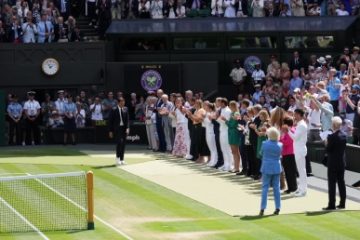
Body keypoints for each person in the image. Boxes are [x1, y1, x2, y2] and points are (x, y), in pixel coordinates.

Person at [323, 117, 347, 210]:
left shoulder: (331, 137)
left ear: (333, 125)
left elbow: (328, 149)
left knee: (332, 184)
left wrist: (326, 142)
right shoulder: (344, 135)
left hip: (333, 163)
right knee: (341, 183)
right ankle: (342, 203)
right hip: (341, 162)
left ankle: (331, 204)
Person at [259, 127, 283, 216]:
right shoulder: (280, 145)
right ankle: (278, 207)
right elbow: (280, 155)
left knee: (265, 188)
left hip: (266, 167)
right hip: (276, 167)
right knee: (276, 188)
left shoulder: (264, 143)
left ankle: (262, 208)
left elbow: (261, 153)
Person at [286, 108, 308, 197]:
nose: (294, 116)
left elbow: (295, 137)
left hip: (300, 150)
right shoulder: (299, 124)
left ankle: (303, 190)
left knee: (302, 171)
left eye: (295, 114)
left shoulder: (302, 125)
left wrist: (288, 130)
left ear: (299, 115)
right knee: (300, 170)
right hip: (298, 150)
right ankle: (300, 188)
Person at [108, 97, 130, 165]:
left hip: (124, 129)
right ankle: (117, 159)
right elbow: (110, 121)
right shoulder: (113, 109)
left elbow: (127, 120)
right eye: (122, 102)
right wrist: (110, 131)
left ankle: (122, 159)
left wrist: (128, 128)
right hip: (117, 129)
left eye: (124, 102)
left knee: (123, 144)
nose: (123, 103)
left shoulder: (125, 109)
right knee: (119, 143)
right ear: (119, 102)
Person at [280, 117, 298, 194]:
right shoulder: (287, 131)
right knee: (287, 172)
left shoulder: (292, 130)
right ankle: (290, 187)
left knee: (291, 172)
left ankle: (293, 187)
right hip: (285, 153)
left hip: (290, 154)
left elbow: (286, 142)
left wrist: (280, 139)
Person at [226, 100, 241, 173]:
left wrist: (226, 121)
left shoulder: (237, 113)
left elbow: (233, 124)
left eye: (231, 105)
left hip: (234, 133)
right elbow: (230, 124)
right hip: (231, 133)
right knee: (233, 151)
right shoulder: (232, 113)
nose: (229, 107)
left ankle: (237, 168)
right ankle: (235, 167)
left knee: (235, 151)